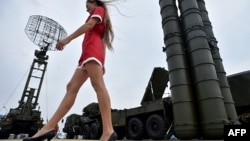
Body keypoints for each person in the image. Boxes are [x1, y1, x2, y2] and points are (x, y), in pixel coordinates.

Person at [23, 0, 117, 141]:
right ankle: (48, 127)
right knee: (71, 87)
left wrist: (67, 40)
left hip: (92, 49)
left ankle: (108, 131)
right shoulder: (98, 15)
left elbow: (89, 25)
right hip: (86, 53)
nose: (87, 9)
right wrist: (102, 63)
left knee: (98, 85)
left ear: (93, 2)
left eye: (87, 6)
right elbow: (103, 40)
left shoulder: (98, 10)